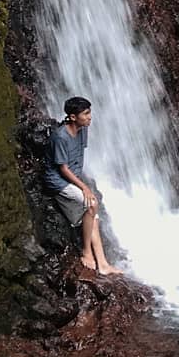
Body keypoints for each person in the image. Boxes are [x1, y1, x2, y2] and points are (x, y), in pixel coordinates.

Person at [44, 96, 122, 275]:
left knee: (93, 215)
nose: (90, 117)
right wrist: (84, 187)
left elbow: (77, 158)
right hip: (57, 182)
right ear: (72, 117)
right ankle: (86, 252)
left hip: (71, 178)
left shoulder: (82, 130)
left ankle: (103, 264)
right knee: (92, 205)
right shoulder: (60, 137)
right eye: (85, 113)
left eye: (89, 112)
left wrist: (82, 184)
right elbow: (63, 169)